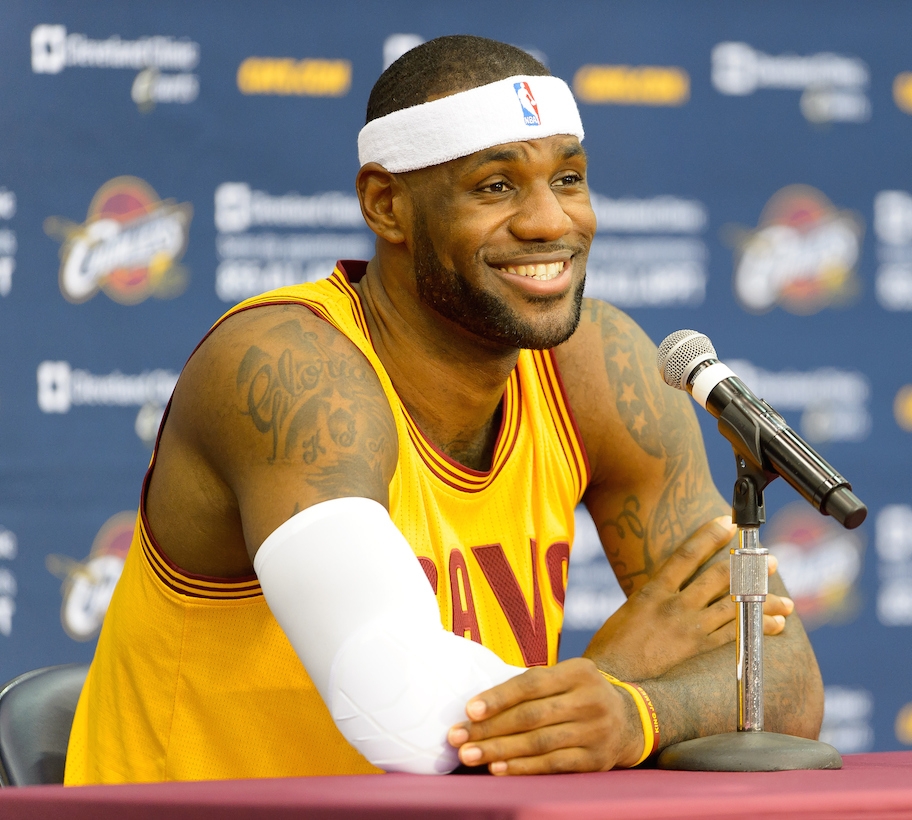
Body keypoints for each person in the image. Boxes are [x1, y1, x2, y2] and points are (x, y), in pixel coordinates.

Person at [64, 35, 824, 784]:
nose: (549, 223)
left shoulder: (596, 366)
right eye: (495, 187)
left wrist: (639, 713)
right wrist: (617, 672)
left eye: (568, 179)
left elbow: (780, 676)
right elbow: (404, 713)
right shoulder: (291, 369)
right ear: (387, 204)